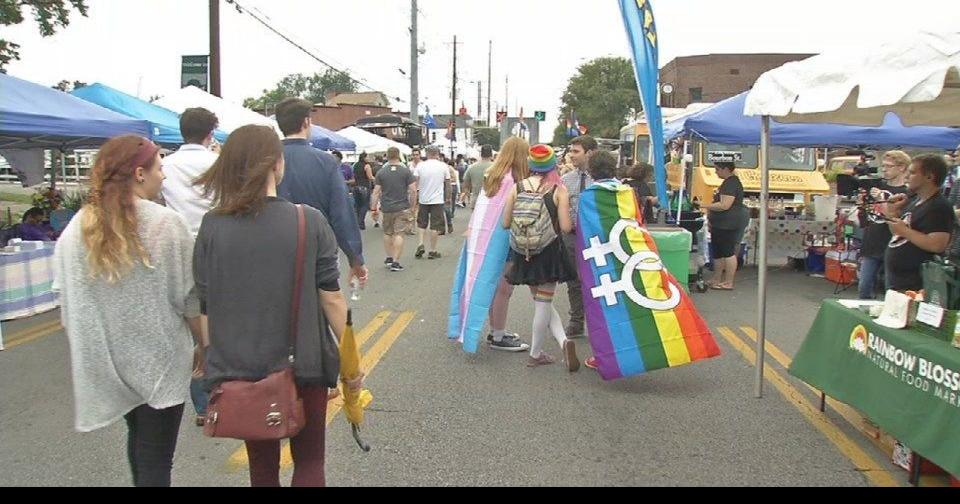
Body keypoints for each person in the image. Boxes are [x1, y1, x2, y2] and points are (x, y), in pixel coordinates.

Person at [194, 125, 359, 487]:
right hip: (304, 361)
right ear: (276, 164)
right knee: (310, 461)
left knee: (263, 468)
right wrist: (351, 363)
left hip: (244, 366)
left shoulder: (212, 226)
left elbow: (206, 307)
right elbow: (331, 299)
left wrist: (210, 359)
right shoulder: (308, 220)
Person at [54, 135, 203, 487]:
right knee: (155, 457)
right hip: (161, 361)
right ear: (139, 173)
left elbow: (67, 297)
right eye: (159, 168)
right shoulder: (167, 224)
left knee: (139, 446)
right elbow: (191, 299)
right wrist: (205, 346)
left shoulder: (78, 227)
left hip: (109, 361)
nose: (163, 177)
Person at [160, 106, 219, 426]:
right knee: (214, 323)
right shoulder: (217, 163)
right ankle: (215, 395)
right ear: (211, 132)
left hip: (176, 250)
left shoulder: (165, 166)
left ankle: (199, 401)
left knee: (190, 324)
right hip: (215, 249)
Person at [274, 98, 367, 288]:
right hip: (317, 247)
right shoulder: (325, 162)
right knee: (322, 301)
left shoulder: (268, 160)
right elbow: (341, 213)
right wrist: (355, 258)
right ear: (306, 122)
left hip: (274, 247)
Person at [502, 145, 579, 371]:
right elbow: (565, 227)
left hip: (523, 252)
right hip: (548, 252)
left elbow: (505, 223)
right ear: (553, 165)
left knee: (541, 302)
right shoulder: (558, 189)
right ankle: (535, 354)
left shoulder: (518, 187)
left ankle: (563, 341)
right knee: (543, 303)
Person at [884, 154, 956, 292]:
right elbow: (898, 236)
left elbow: (937, 245)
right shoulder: (915, 202)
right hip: (899, 279)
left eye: (912, 173)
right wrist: (892, 212)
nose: (906, 177)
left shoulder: (938, 206)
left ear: (929, 177)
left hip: (917, 283)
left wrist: (905, 230)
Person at [855, 151, 909, 299]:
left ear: (902, 167)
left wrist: (882, 199)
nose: (884, 169)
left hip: (891, 245)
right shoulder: (877, 185)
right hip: (871, 241)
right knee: (863, 287)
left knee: (890, 290)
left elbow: (893, 218)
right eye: (883, 166)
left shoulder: (906, 193)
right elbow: (866, 219)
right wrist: (862, 206)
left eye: (889, 166)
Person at [560, 135, 598, 338]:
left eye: (576, 151)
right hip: (572, 238)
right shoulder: (566, 180)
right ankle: (576, 321)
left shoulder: (602, 180)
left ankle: (597, 322)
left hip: (596, 238)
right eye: (571, 151)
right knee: (573, 281)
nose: (571, 155)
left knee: (596, 280)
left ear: (590, 153)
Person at [160, 107, 219, 237]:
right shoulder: (220, 163)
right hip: (214, 236)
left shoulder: (163, 165)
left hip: (178, 235)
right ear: (210, 134)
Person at [703, 161, 749, 290]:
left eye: (717, 169)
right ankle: (716, 279)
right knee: (718, 252)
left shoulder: (731, 183)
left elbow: (725, 205)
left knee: (727, 252)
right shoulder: (727, 183)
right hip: (720, 223)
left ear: (726, 169)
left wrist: (703, 205)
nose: (715, 172)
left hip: (727, 223)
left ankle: (728, 282)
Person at [371, 147, 417, 272]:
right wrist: (413, 206)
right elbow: (413, 190)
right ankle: (396, 262)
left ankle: (389, 257)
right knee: (399, 234)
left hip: (386, 207)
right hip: (402, 206)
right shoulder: (406, 172)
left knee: (387, 233)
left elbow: (376, 192)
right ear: (399, 156)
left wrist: (373, 208)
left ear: (387, 156)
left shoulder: (381, 172)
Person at [414, 146, 451, 260]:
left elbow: (416, 182)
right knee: (435, 225)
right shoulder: (443, 166)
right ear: (437, 153)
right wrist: (448, 197)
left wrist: (416, 196)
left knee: (421, 223)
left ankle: (420, 243)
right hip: (437, 200)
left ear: (427, 154)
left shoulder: (420, 165)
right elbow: (448, 183)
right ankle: (432, 250)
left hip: (423, 199)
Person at [352, 153, 375, 230]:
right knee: (364, 205)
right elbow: (370, 176)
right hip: (364, 187)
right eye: (367, 157)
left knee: (358, 205)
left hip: (356, 186)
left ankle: (356, 222)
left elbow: (354, 176)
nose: (368, 158)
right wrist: (375, 179)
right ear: (364, 158)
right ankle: (360, 222)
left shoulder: (355, 165)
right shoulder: (367, 166)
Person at [445, 158, 461, 232]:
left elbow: (454, 179)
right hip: (452, 186)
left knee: (448, 204)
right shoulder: (454, 170)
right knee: (452, 202)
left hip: (448, 187)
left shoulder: (448, 169)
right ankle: (451, 213)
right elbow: (456, 180)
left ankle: (450, 216)